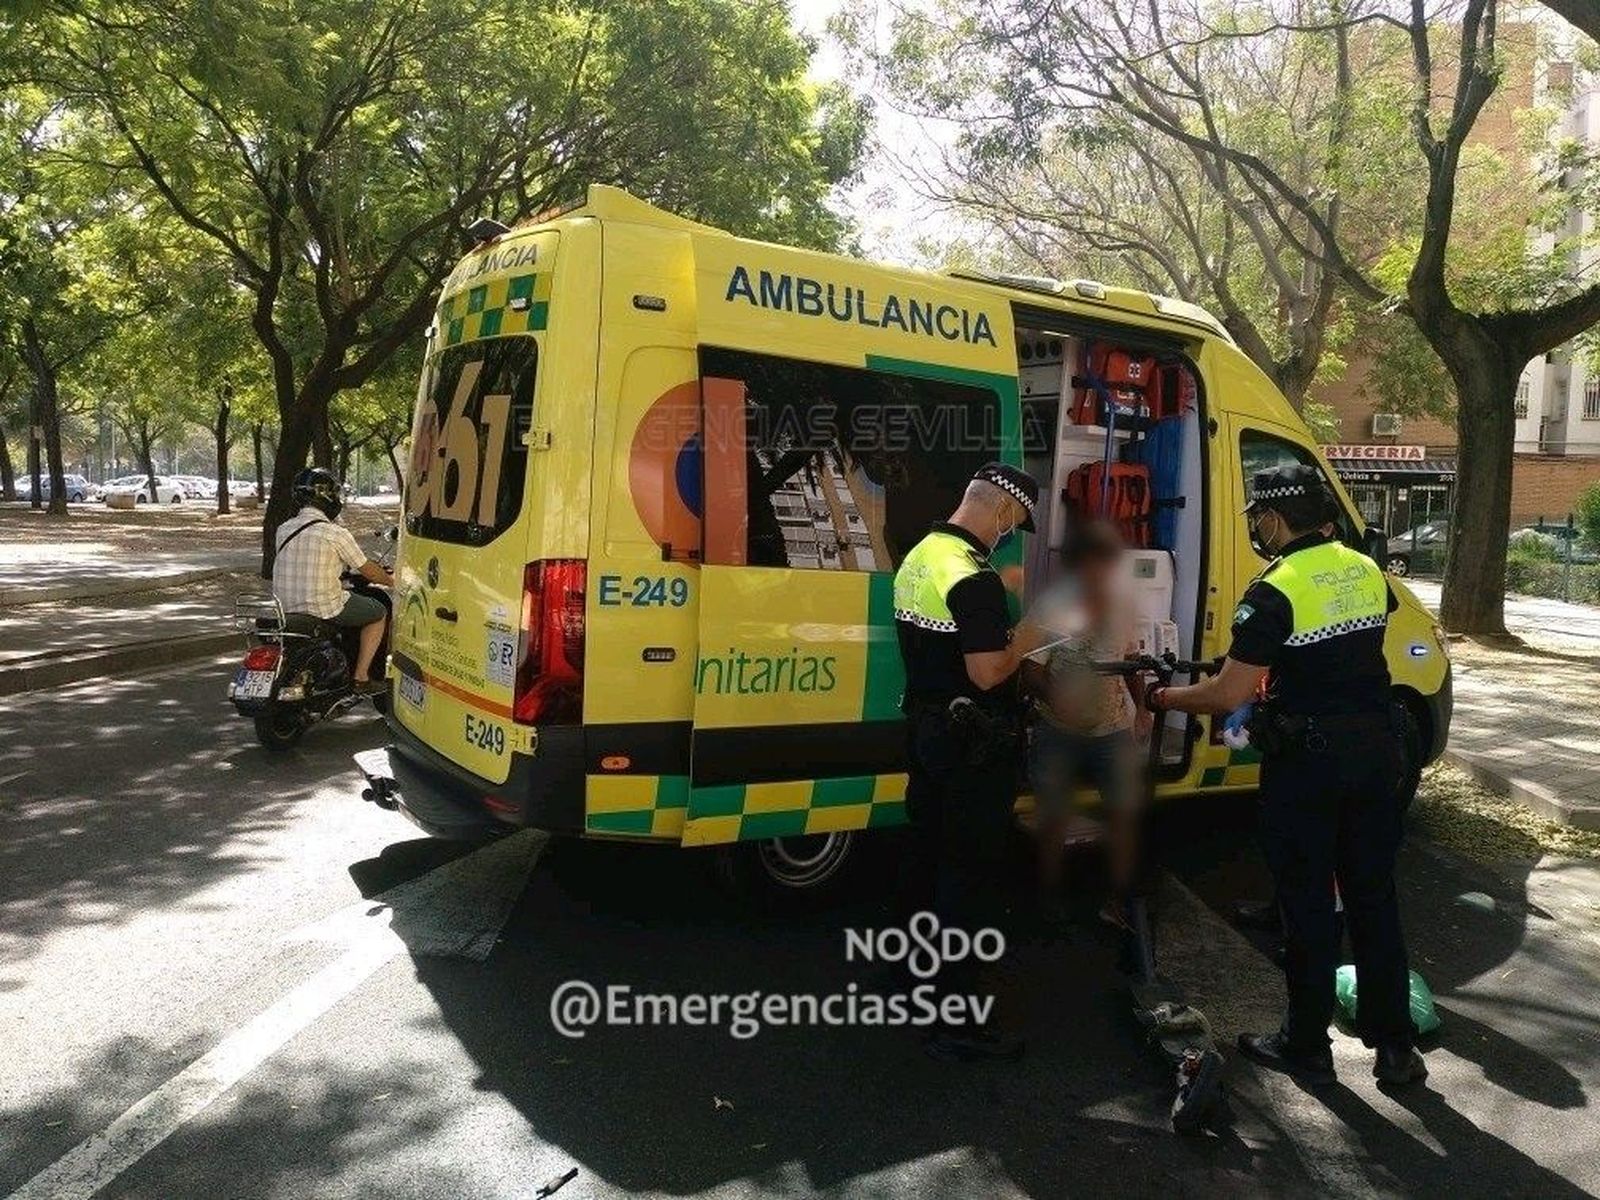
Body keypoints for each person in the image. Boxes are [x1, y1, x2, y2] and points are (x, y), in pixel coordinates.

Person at [1148, 464, 1424, 1087]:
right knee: (1374, 899)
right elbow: (1338, 653)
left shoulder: (1274, 589)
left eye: (1258, 520)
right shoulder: (1367, 570)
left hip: (1310, 766)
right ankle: (1396, 1050)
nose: (1259, 531)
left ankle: (1305, 1043)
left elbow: (1226, 695)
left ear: (1274, 517)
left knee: (1307, 905)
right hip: (1378, 752)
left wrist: (1163, 699)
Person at [893, 462, 1041, 1061]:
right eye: (1018, 521)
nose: (1014, 532)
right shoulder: (973, 579)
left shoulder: (921, 555)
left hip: (928, 734)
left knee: (927, 864)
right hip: (973, 746)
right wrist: (1029, 636)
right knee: (968, 876)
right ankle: (956, 1021)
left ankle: (916, 990)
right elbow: (987, 671)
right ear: (1002, 509)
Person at [1022, 519, 1149, 929]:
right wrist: (1056, 698)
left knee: (1124, 815)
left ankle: (1118, 901)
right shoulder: (1051, 607)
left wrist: (1143, 709)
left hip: (1112, 730)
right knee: (1054, 818)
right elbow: (1029, 669)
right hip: (1057, 730)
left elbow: (1132, 664)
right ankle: (1047, 899)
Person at [272, 467, 395, 693]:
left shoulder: (283, 529)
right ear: (330, 497)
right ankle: (361, 677)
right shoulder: (335, 533)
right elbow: (367, 569)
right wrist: (391, 580)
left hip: (285, 608)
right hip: (324, 608)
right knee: (378, 612)